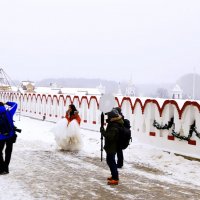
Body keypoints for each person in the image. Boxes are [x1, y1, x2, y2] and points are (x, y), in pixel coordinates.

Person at [100, 109, 124, 185]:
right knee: (110, 161)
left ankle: (115, 178)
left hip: (112, 146)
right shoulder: (114, 123)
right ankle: (114, 175)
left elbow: (110, 137)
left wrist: (103, 131)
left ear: (112, 117)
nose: (108, 118)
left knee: (111, 162)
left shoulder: (114, 126)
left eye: (109, 116)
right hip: (111, 146)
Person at [0, 101, 18, 175]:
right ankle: (6, 169)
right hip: (10, 136)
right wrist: (6, 103)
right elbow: (15, 104)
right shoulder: (9, 112)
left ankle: (1, 168)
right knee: (8, 152)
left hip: (1, 137)